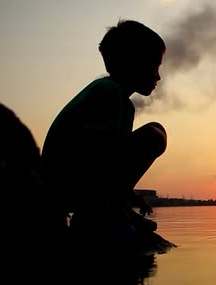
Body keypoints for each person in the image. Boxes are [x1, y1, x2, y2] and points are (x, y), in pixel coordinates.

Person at [40, 19, 167, 235]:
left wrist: (129, 194)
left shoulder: (118, 100)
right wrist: (116, 200)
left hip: (75, 181)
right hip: (66, 186)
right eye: (154, 65)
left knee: (156, 129)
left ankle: (107, 208)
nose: (158, 76)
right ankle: (99, 213)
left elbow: (110, 161)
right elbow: (97, 155)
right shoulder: (108, 93)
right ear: (131, 63)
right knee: (153, 136)